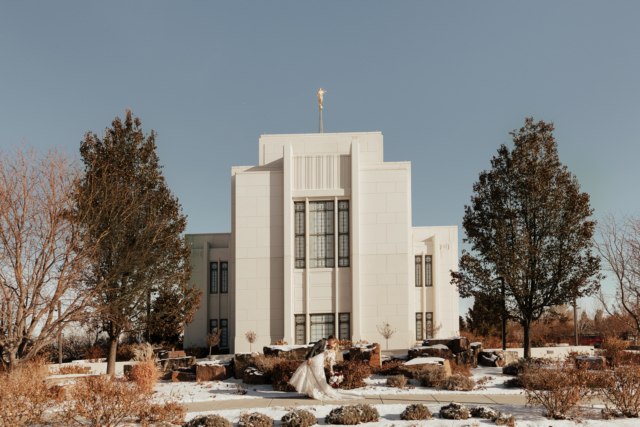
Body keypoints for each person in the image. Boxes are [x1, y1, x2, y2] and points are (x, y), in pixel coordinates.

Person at [289, 335, 359, 400]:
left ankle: (314, 391)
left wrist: (331, 370)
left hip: (318, 362)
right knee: (310, 374)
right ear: (331, 341)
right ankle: (311, 391)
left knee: (316, 376)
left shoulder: (332, 351)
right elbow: (314, 348)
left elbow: (330, 361)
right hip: (315, 360)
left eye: (335, 343)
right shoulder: (323, 343)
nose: (333, 343)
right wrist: (309, 358)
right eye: (334, 342)